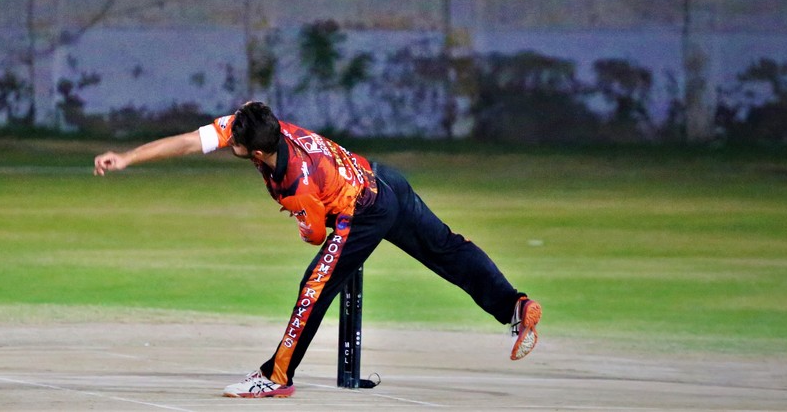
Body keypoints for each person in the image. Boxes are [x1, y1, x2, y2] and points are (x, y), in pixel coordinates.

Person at [93, 101, 541, 398]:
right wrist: (127, 157)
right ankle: (514, 305)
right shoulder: (261, 128)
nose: (228, 141)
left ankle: (276, 377)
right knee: (447, 248)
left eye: (234, 143)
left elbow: (314, 234)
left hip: (364, 211)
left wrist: (306, 222)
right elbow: (191, 141)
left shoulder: (296, 185)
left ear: (253, 152)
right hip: (381, 176)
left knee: (314, 287)